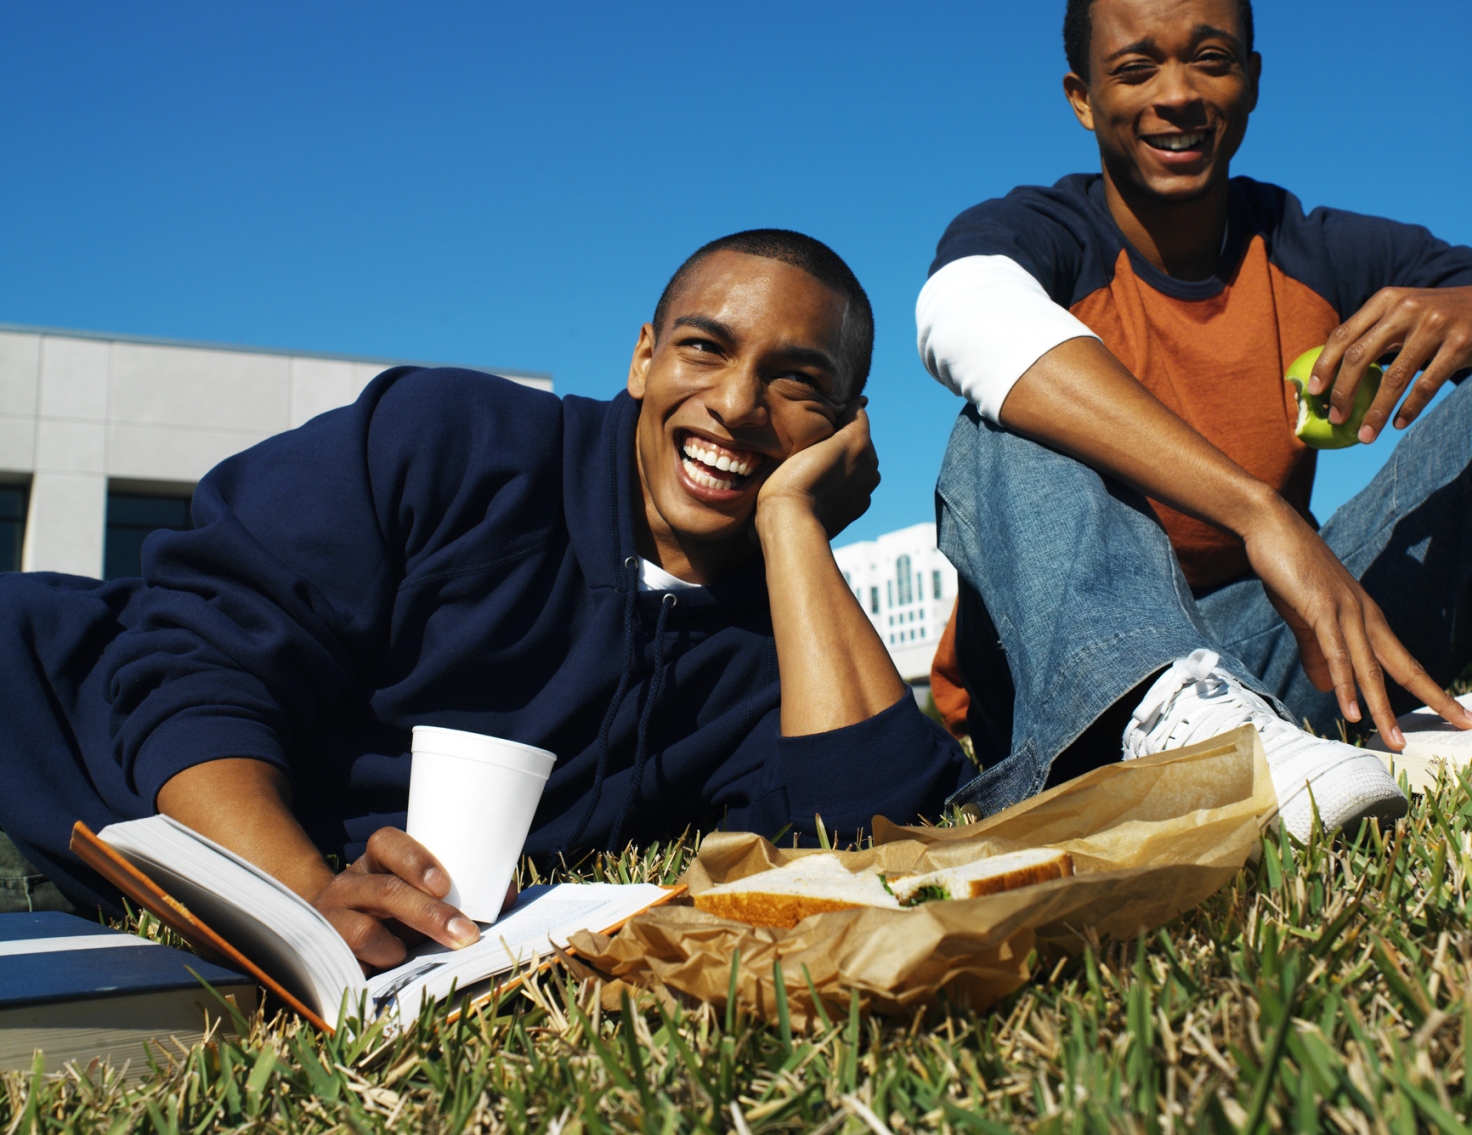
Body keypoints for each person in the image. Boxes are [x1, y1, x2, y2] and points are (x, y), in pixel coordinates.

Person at [0, 229, 970, 967]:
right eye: (704, 349)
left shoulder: (774, 643)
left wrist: (795, 527)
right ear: (642, 359)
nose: (732, 402)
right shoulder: (455, 439)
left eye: (795, 382)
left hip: (97, 891)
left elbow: (860, 840)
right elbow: (198, 652)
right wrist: (302, 902)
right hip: (39, 725)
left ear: (844, 430)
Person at [918, 0, 1472, 839]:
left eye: (1208, 62)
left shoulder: (1312, 244)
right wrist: (1263, 513)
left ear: (1251, 79)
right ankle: (1178, 741)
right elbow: (960, 314)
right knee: (1002, 420)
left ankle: (1317, 735)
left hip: (1284, 642)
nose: (1177, 95)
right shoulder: (1041, 233)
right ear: (1083, 101)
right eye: (1136, 70)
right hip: (1074, 685)